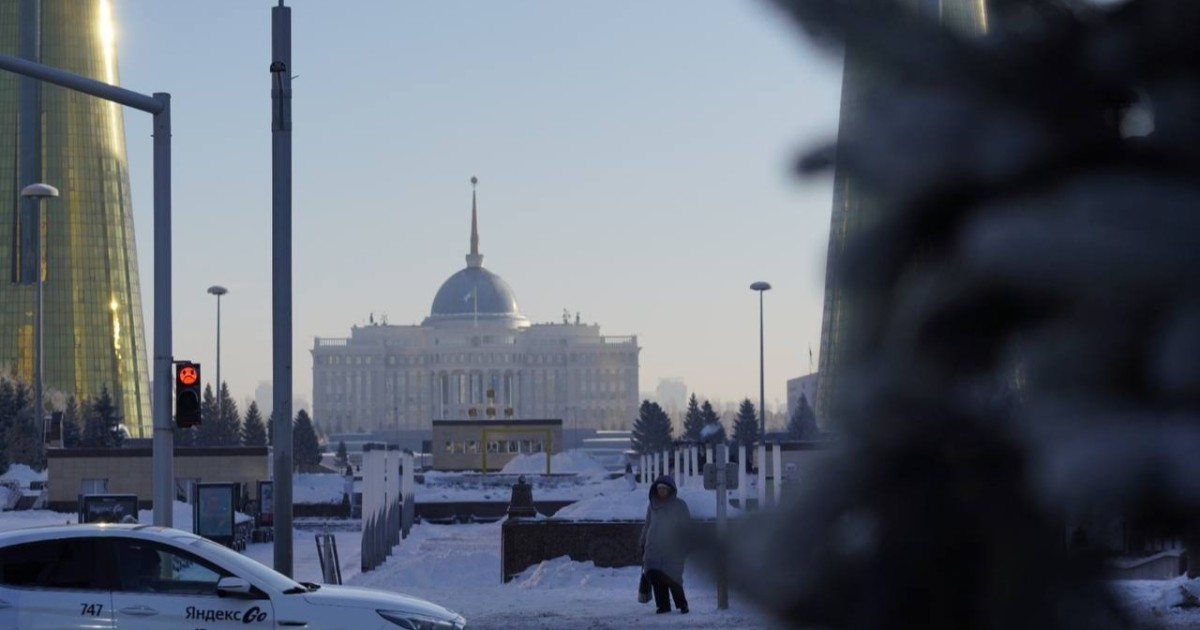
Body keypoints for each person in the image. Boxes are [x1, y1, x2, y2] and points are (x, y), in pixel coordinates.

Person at [639, 474, 691, 614]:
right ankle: (663, 606)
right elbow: (647, 525)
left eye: (664, 488)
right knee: (656, 578)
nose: (661, 491)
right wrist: (642, 541)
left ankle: (682, 604)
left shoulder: (680, 505)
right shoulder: (652, 506)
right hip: (653, 548)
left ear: (670, 489)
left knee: (674, 578)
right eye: (659, 488)